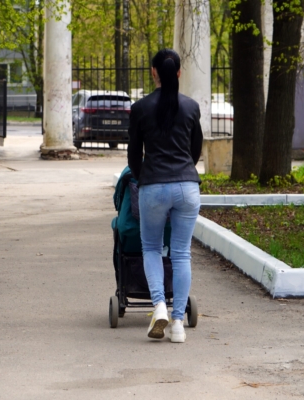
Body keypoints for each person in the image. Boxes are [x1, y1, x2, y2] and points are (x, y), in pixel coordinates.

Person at [127, 49, 203, 343]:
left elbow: (134, 154)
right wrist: (183, 171)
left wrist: (140, 176)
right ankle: (178, 322)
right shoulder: (191, 107)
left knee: (151, 247)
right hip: (187, 185)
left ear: (153, 72)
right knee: (181, 253)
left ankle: (159, 305)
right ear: (179, 73)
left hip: (153, 186)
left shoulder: (140, 108)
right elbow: (195, 150)